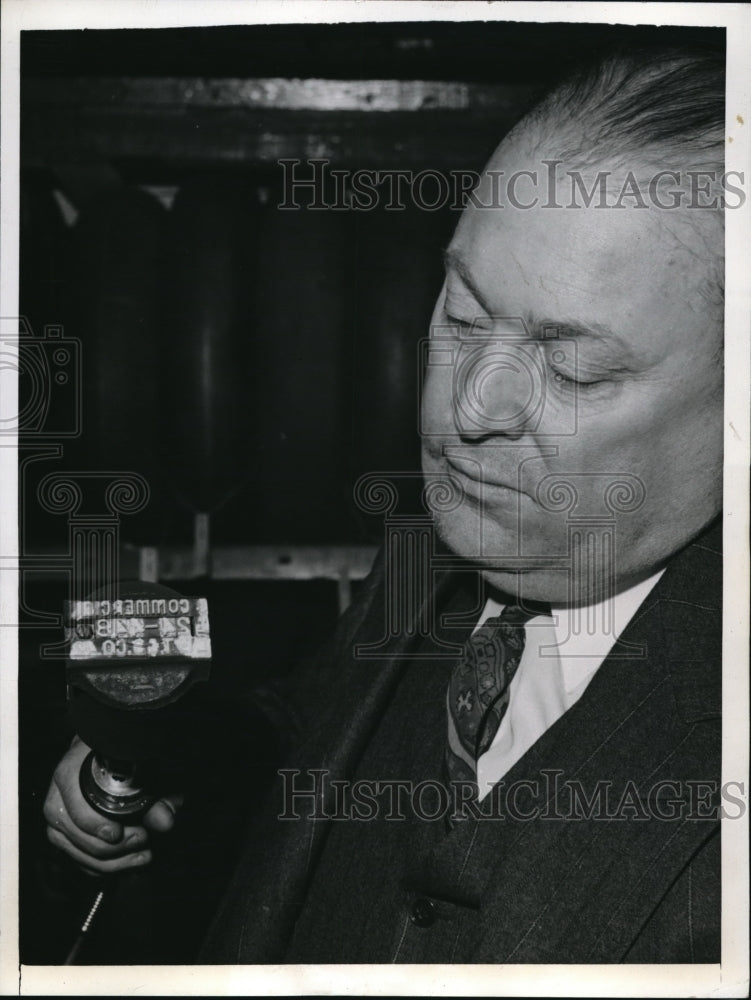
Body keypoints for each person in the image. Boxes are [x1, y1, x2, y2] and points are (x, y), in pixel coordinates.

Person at [44, 44, 725, 963]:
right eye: (463, 315)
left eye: (570, 368)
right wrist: (188, 758)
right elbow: (320, 724)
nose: (468, 409)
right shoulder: (452, 529)